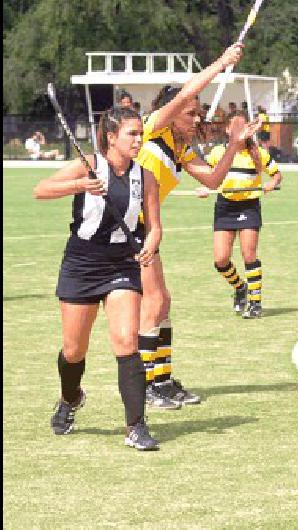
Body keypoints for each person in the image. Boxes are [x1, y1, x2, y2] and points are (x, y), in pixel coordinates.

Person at [135, 43, 261, 410]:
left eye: (197, 113)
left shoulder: (179, 147)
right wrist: (221, 64)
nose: (196, 117)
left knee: (163, 304)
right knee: (155, 302)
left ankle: (162, 378)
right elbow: (189, 90)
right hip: (131, 230)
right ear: (172, 113)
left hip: (146, 230)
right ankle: (146, 384)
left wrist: (236, 143)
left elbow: (211, 181)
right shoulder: (153, 129)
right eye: (190, 112)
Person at [33, 107, 162, 450]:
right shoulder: (88, 164)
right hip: (83, 261)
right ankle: (70, 398)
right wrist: (80, 185)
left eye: (140, 134)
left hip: (122, 263)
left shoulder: (146, 176)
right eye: (132, 134)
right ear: (111, 137)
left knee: (126, 341)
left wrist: (150, 245)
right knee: (74, 351)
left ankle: (136, 426)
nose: (139, 140)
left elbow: (155, 226)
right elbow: (41, 189)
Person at [199, 111, 282, 319]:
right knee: (220, 259)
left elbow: (277, 174)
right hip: (225, 206)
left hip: (249, 206)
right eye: (234, 127)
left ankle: (255, 302)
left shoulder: (258, 154)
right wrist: (204, 189)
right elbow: (206, 175)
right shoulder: (219, 152)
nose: (239, 132)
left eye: (243, 127)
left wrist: (272, 183)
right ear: (227, 130)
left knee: (249, 255)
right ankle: (240, 287)